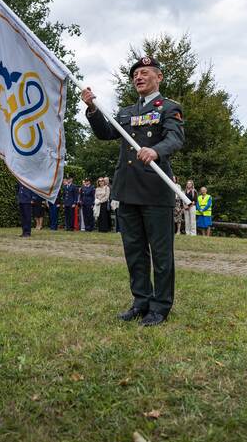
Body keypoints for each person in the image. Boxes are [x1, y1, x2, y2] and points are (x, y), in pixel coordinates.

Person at [81, 55, 185, 327]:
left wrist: (156, 150)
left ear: (159, 77)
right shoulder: (126, 112)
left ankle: (160, 307)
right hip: (127, 191)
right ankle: (141, 301)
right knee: (135, 251)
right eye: (135, 74)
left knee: (161, 255)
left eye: (145, 72)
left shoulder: (169, 108)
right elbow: (105, 133)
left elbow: (175, 138)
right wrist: (92, 109)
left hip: (155, 190)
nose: (139, 77)